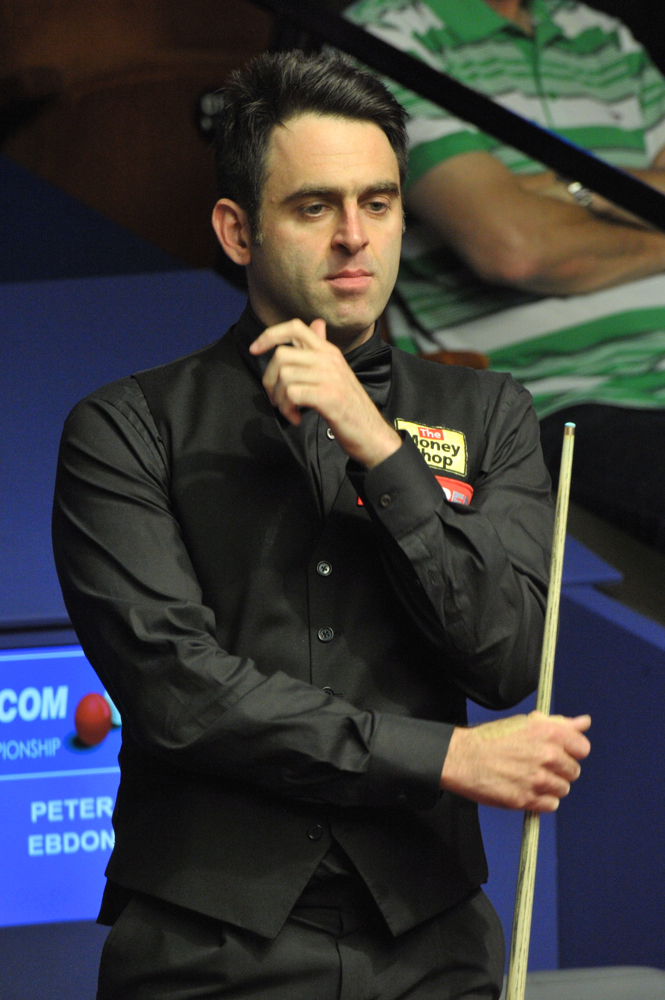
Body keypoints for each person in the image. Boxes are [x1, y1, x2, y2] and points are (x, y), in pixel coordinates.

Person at [52, 51, 590, 1000]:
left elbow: (504, 656)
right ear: (237, 230)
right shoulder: (127, 427)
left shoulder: (490, 414)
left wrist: (377, 446)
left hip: (433, 943)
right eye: (314, 207)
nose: (353, 237)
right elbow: (178, 693)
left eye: (378, 203)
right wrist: (444, 756)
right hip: (206, 947)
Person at [345, 0, 665, 552]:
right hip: (554, 404)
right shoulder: (387, 36)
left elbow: (523, 232)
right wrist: (635, 197)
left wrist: (553, 188)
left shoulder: (600, 35)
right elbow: (514, 249)